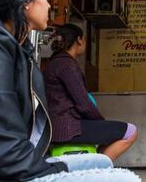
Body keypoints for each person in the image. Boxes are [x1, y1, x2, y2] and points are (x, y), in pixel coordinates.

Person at [0, 0, 140, 181]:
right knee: (123, 178)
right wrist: (58, 171)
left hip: (20, 161)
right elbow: (2, 145)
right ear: (24, 0)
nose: (49, 5)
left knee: (101, 163)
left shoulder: (16, 48)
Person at [44, 23, 138, 161]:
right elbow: (84, 104)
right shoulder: (67, 65)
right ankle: (96, 169)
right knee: (131, 131)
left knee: (111, 132)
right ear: (79, 40)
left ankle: (94, 163)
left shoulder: (54, 63)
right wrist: (100, 122)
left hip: (56, 127)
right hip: (67, 129)